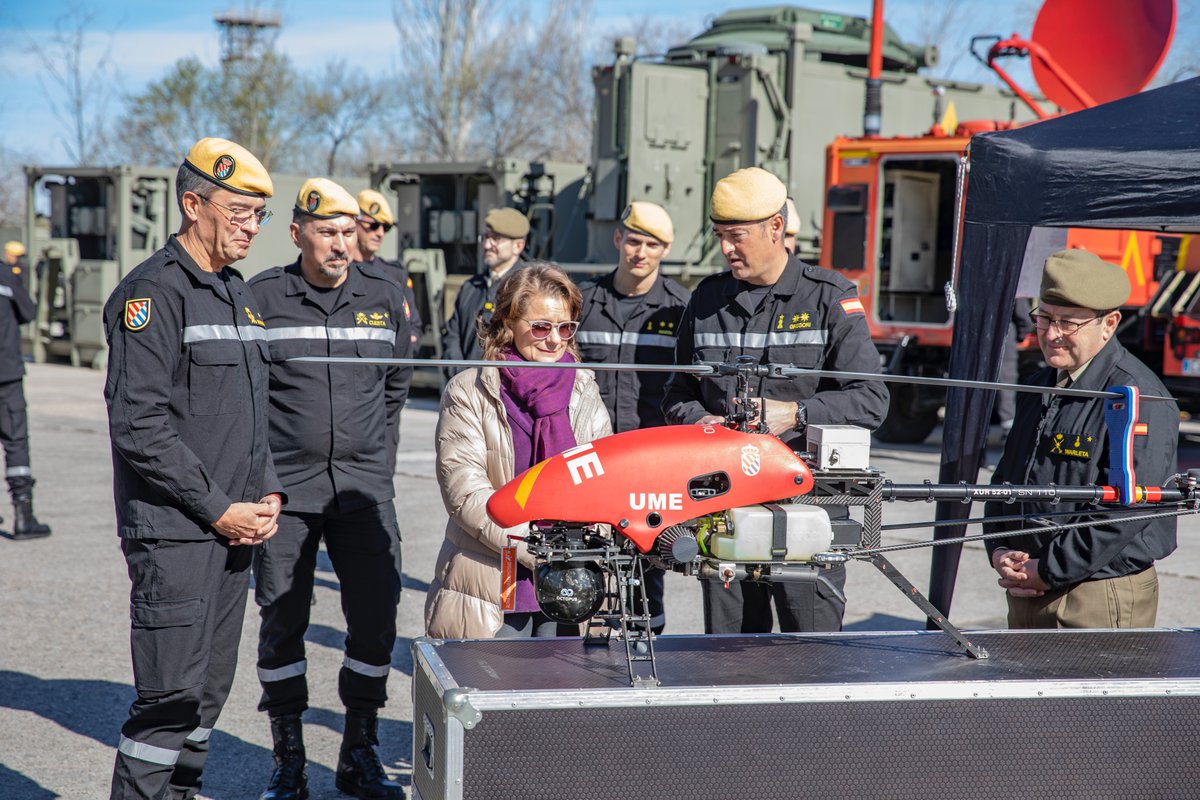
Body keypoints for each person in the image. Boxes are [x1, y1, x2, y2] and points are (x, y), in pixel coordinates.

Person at [105, 137, 283, 800]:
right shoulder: (153, 293)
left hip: (234, 530)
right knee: (168, 705)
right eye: (238, 212)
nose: (251, 227)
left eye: (259, 215)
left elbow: (251, 413)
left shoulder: (239, 295)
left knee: (207, 699)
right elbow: (138, 424)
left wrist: (267, 490)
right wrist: (218, 507)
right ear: (191, 204)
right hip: (177, 534)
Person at [663, 166, 889, 635]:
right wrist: (701, 421)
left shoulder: (829, 297)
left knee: (812, 654)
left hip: (808, 508)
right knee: (727, 657)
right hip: (725, 509)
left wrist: (797, 414)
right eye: (721, 236)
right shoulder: (706, 300)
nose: (727, 249)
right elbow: (677, 393)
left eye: (737, 236)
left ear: (775, 227)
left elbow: (871, 399)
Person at [248, 178, 411, 800]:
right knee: (282, 617)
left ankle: (358, 752)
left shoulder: (385, 295)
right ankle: (288, 758)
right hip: (285, 492)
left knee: (376, 617)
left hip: (363, 490)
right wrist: (261, 480)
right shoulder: (262, 297)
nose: (340, 244)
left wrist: (378, 462)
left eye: (348, 231)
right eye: (326, 232)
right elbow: (248, 398)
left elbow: (395, 388)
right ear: (297, 234)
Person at [985, 249, 1179, 629]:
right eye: (1044, 318)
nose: (1051, 334)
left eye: (1068, 324)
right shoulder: (1040, 386)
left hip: (1096, 594)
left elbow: (1126, 509)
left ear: (1109, 324)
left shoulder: (1136, 395)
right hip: (1029, 582)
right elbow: (1006, 480)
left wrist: (1049, 569)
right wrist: (1000, 547)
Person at [427, 261, 611, 639]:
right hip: (496, 574)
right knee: (499, 672)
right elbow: (465, 492)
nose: (554, 339)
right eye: (541, 327)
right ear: (509, 323)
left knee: (564, 675)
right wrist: (534, 548)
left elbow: (604, 475)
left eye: (565, 327)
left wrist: (583, 542)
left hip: (572, 575)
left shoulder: (583, 387)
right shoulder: (469, 390)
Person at [576, 201, 689, 632]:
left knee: (649, 559)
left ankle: (645, 639)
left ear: (666, 250)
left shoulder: (679, 310)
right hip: (590, 456)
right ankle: (583, 643)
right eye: (634, 241)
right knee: (584, 555)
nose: (640, 253)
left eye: (652, 245)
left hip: (649, 462)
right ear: (618, 239)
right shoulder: (584, 302)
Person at [0, 239, 51, 539]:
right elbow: (29, 312)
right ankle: (23, 516)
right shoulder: (6, 277)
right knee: (16, 441)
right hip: (6, 373)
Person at [440, 207, 528, 374]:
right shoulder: (470, 287)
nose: (487, 245)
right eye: (486, 237)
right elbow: (452, 337)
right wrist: (461, 375)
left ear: (518, 246)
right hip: (465, 384)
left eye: (496, 239)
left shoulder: (527, 289)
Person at [353, 188, 423, 348]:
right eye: (374, 225)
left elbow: (413, 329)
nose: (380, 233)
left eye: (385, 228)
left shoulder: (395, 275)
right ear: (354, 222)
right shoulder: (339, 271)